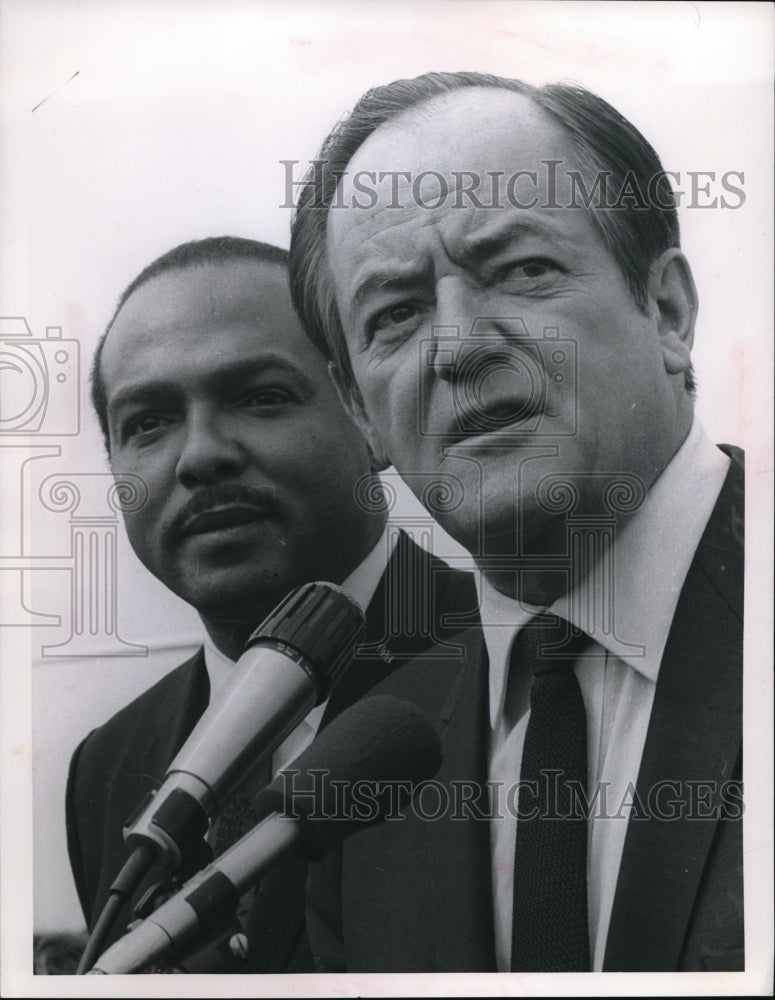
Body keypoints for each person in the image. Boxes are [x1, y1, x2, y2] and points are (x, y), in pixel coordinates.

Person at [288, 72, 744, 973]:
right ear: (359, 412)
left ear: (666, 311)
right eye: (395, 314)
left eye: (522, 270)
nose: (457, 348)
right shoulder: (366, 781)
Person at [65, 236, 478, 972]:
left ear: (367, 416)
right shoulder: (106, 764)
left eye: (260, 397)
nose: (198, 456)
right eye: (147, 423)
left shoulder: (516, 662)